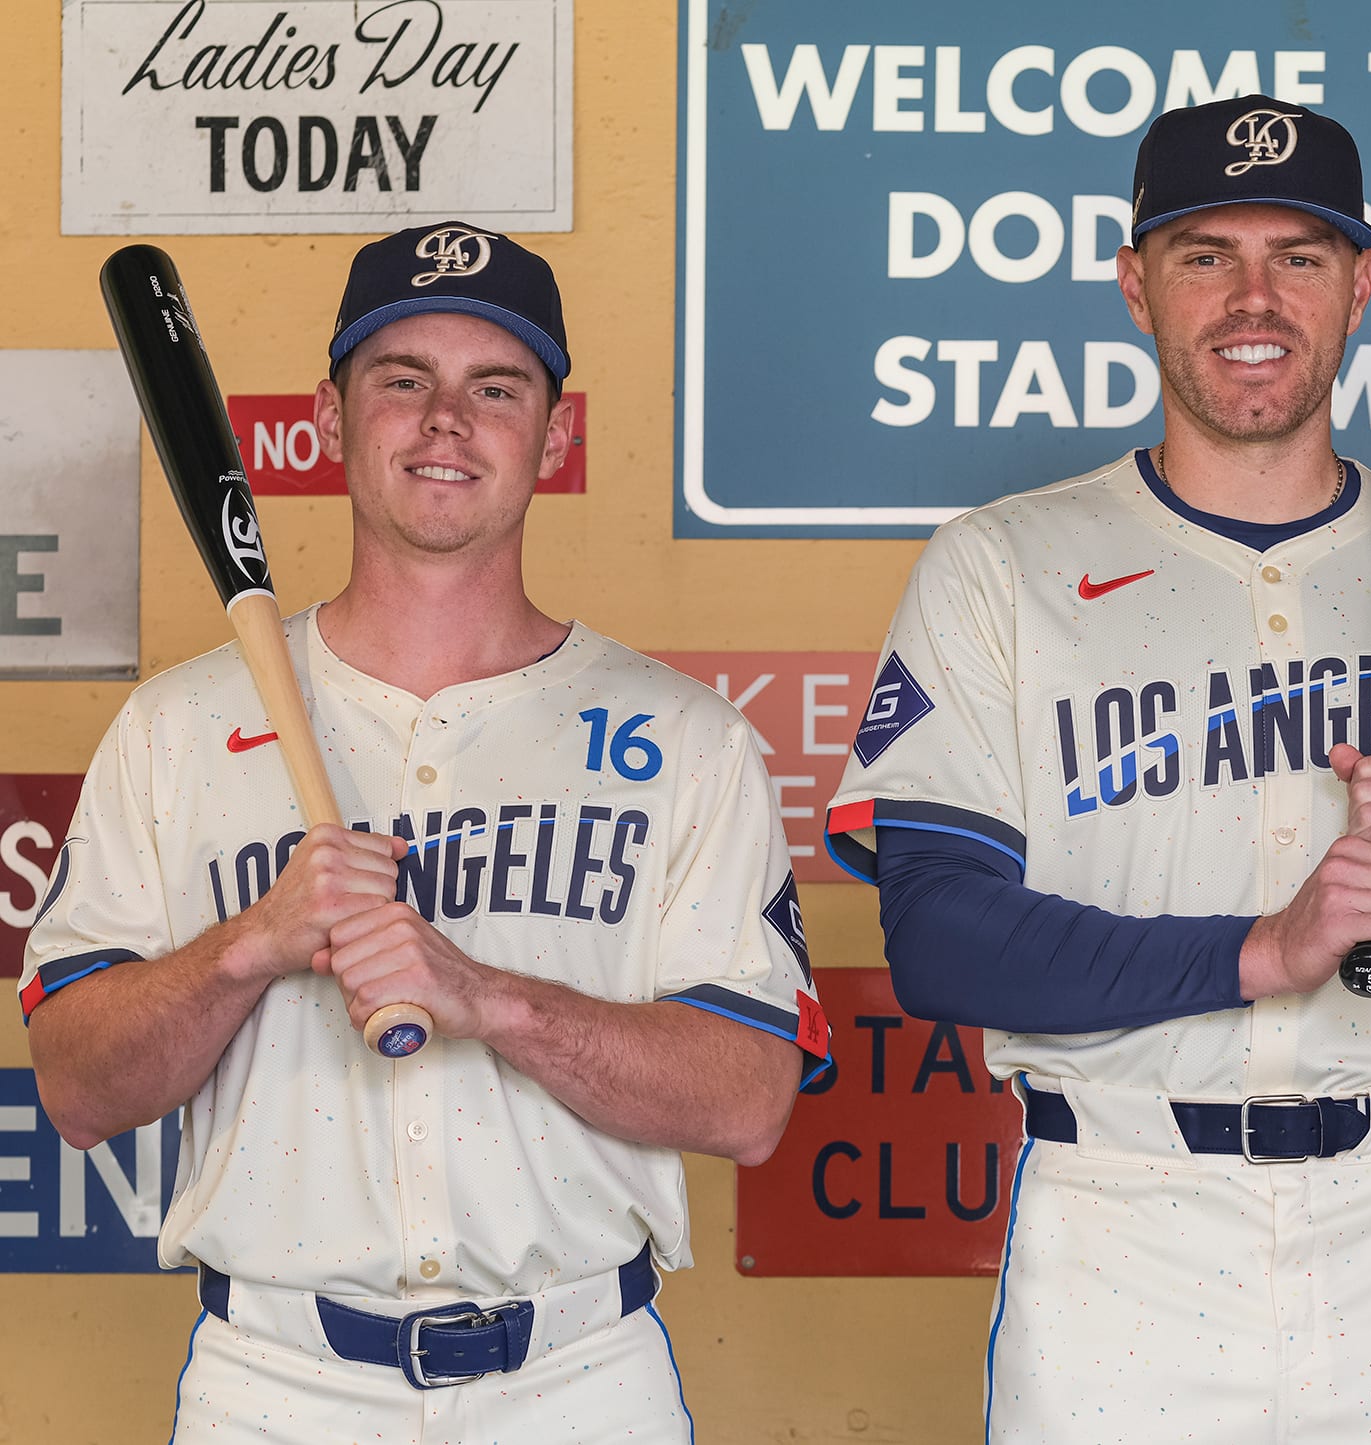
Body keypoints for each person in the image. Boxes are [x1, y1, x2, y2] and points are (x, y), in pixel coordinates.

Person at [825, 95, 1371, 1442]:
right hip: (1122, 1225)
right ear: (1135, 283)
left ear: (1365, 286)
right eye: (1206, 254)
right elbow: (938, 938)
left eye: (1300, 256)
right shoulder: (1001, 564)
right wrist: (1264, 949)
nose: (1253, 298)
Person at [20, 223, 832, 1440]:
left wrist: (486, 997)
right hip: (274, 1386)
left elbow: (750, 1101)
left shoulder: (687, 739)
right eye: (403, 379)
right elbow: (79, 1089)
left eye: (495, 388)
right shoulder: (175, 729)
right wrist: (253, 943)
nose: (446, 419)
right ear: (331, 418)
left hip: (580, 1382)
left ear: (554, 437)